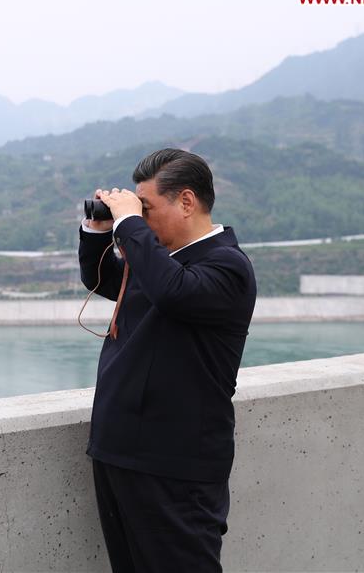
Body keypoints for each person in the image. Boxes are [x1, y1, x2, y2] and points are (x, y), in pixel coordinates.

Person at [78, 148, 257, 572]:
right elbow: (101, 279)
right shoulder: (161, 264)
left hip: (175, 465)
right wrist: (101, 229)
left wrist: (130, 224)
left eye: (148, 208)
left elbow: (172, 291)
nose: (142, 219)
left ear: (187, 201)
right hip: (120, 452)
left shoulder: (226, 267)